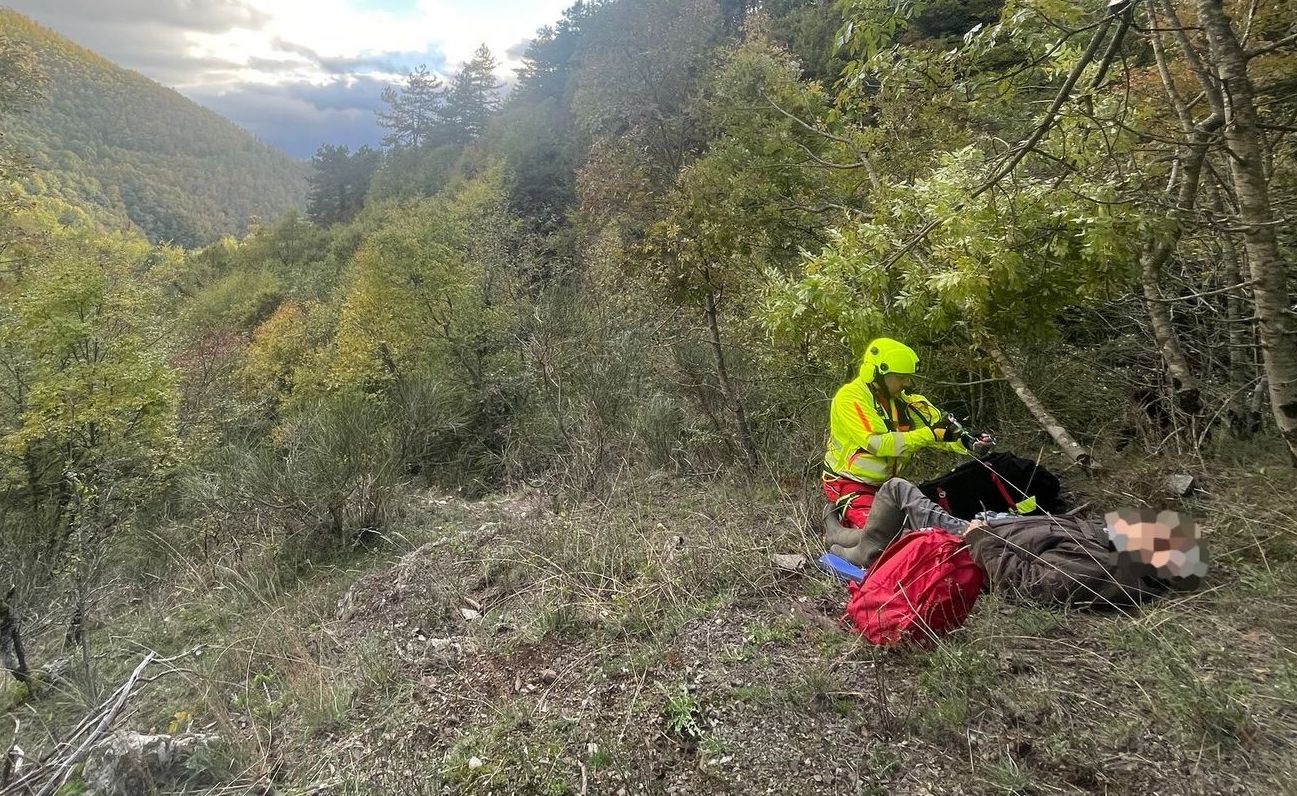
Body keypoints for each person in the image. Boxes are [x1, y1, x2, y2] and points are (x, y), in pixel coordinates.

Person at [822, 338, 993, 567]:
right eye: (900, 377)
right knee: (887, 543)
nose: (907, 382)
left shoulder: (907, 402)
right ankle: (836, 534)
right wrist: (931, 434)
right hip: (851, 483)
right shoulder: (850, 398)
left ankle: (839, 534)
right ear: (878, 374)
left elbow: (941, 433)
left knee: (918, 530)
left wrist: (967, 441)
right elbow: (877, 444)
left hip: (889, 487)